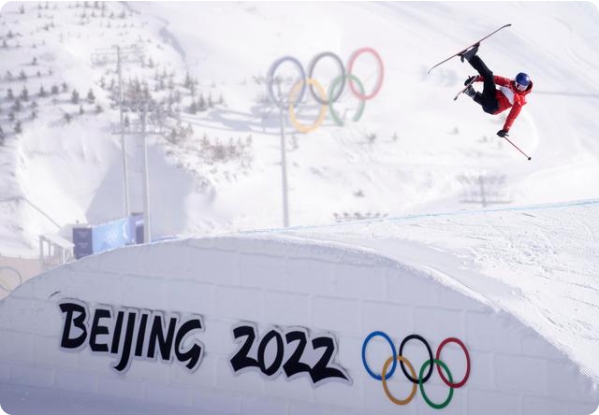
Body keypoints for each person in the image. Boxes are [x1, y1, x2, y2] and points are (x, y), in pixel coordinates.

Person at [460, 44, 533, 138]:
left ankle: (471, 57)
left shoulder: (519, 100)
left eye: (522, 87)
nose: (518, 87)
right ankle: (470, 92)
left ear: (526, 88)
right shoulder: (509, 83)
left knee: (489, 76)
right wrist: (476, 79)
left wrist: (505, 129)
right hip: (490, 99)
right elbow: (495, 79)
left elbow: (512, 116)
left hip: (493, 107)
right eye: (517, 84)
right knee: (489, 76)